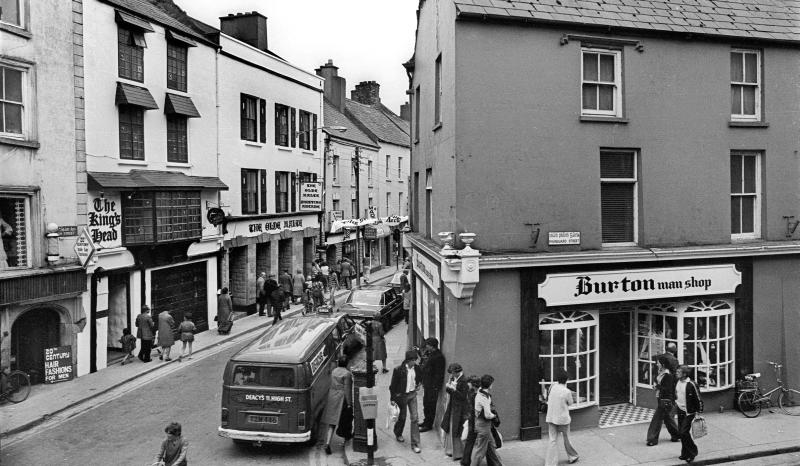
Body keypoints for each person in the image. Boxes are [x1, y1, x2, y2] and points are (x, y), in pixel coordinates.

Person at [390, 350, 422, 454]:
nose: (415, 362)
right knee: (402, 417)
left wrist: (418, 384)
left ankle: (415, 443)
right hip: (402, 396)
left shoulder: (417, 368)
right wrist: (393, 399)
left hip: (412, 395)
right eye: (413, 360)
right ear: (408, 360)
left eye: (415, 360)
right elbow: (393, 386)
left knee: (415, 418)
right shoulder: (399, 370)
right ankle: (398, 433)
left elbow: (420, 378)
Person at [545, 369, 579, 466]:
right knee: (567, 438)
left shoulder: (552, 386)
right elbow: (570, 403)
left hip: (551, 417)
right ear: (566, 380)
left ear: (557, 379)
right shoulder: (567, 392)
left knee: (552, 440)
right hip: (563, 419)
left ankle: (550, 463)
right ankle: (572, 456)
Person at [322, 355, 354, 455]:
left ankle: (327, 443)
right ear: (347, 363)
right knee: (346, 420)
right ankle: (345, 442)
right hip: (342, 398)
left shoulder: (334, 371)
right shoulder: (347, 374)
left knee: (332, 422)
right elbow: (347, 390)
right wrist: (349, 404)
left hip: (332, 396)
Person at [646, 355, 680, 446]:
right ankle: (677, 435)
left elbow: (667, 389)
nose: (657, 364)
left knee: (656, 420)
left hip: (666, 400)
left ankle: (652, 439)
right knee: (668, 418)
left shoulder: (668, 375)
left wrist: (657, 386)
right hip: (661, 398)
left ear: (663, 364)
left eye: (658, 362)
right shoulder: (660, 372)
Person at [471, 374, 503, 466]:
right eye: (492, 384)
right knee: (479, 451)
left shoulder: (480, 392)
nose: (492, 385)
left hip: (482, 425)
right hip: (483, 426)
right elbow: (487, 415)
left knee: (491, 446)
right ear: (489, 385)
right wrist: (494, 415)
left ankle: (498, 464)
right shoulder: (484, 397)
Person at [675, 365, 701, 463]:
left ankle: (692, 452)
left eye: (679, 372)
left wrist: (698, 412)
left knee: (683, 432)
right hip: (680, 410)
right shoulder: (677, 382)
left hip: (689, 412)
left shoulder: (691, 384)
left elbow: (698, 399)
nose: (677, 373)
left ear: (684, 374)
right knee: (681, 433)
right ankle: (685, 453)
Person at [442, 363, 469, 461]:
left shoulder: (463, 381)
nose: (452, 375)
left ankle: (458, 453)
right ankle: (451, 450)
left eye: (453, 373)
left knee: (457, 429)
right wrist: (449, 387)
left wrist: (452, 389)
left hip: (460, 409)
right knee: (451, 427)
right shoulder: (454, 379)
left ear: (457, 372)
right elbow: (451, 392)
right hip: (453, 407)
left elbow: (462, 397)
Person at [419, 337, 446, 433]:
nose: (426, 346)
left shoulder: (438, 357)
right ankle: (426, 421)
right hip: (427, 385)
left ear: (432, 346)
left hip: (432, 387)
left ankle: (428, 425)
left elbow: (439, 374)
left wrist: (435, 387)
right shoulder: (431, 354)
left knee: (431, 405)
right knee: (426, 404)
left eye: (427, 345)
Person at [460, 375, 482, 466]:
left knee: (470, 441)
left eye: (469, 383)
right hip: (475, 421)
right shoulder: (475, 393)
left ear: (473, 384)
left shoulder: (474, 394)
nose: (467, 385)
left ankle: (465, 461)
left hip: (474, 422)